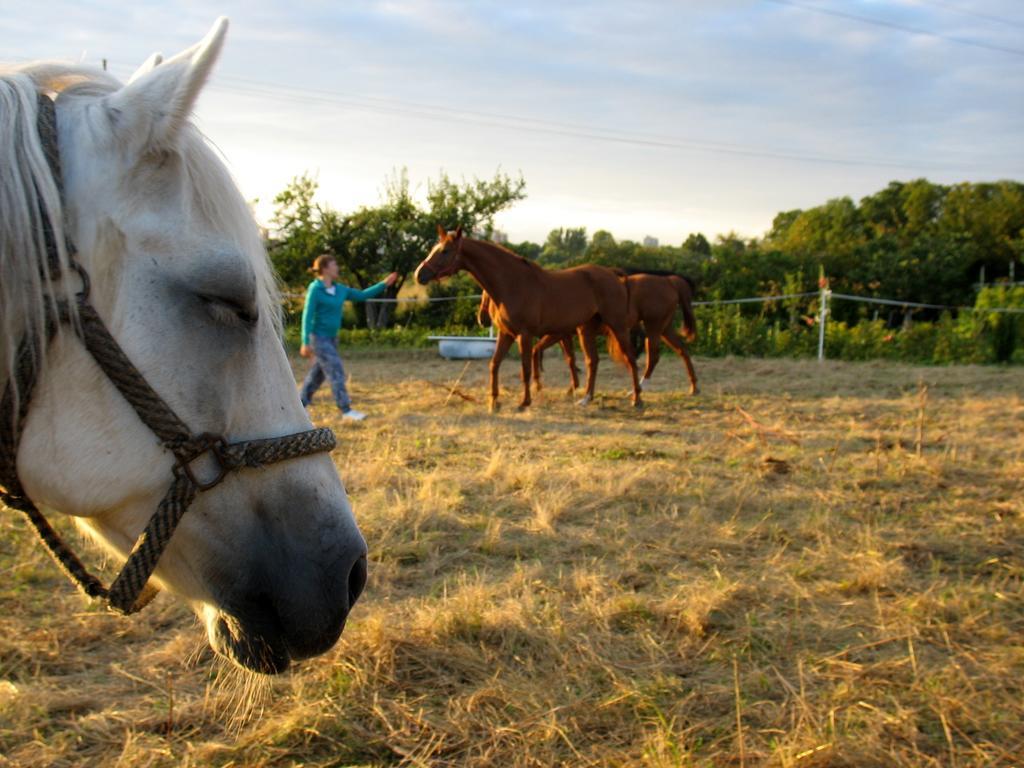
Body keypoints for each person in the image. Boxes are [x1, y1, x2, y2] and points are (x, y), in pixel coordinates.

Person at [299, 254, 398, 421]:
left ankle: (299, 406)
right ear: (325, 269)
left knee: (317, 375)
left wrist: (384, 284)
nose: (337, 267)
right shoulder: (315, 289)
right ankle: (345, 410)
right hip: (318, 338)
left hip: (332, 339)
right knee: (336, 370)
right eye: (334, 264)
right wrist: (305, 342)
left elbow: (362, 295)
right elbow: (307, 316)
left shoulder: (340, 290)